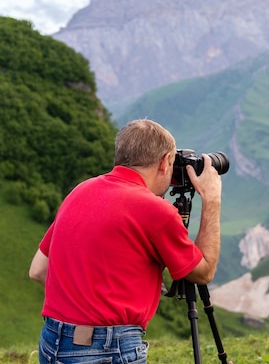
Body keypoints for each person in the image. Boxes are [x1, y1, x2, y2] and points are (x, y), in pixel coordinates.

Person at [29, 119, 222, 364]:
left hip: (52, 341)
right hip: (107, 347)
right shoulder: (155, 211)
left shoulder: (80, 191)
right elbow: (203, 272)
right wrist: (212, 200)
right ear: (165, 162)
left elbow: (38, 269)